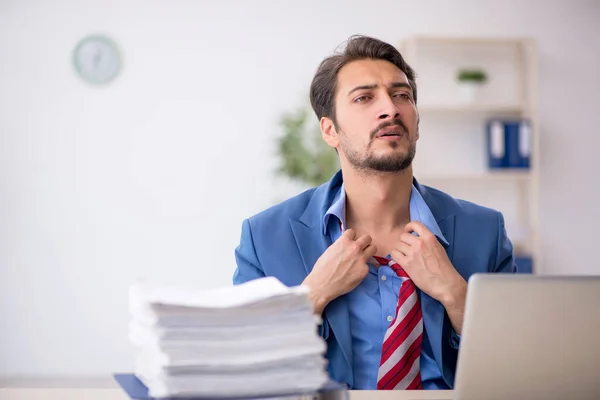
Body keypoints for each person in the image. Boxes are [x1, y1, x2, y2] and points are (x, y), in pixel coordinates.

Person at [232, 35, 517, 391]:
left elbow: (517, 375)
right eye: (365, 98)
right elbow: (244, 373)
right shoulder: (265, 238)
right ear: (330, 130)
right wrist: (312, 296)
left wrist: (456, 296)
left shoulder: (485, 231)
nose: (391, 109)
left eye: (401, 95)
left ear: (416, 121)